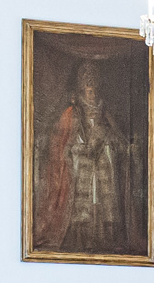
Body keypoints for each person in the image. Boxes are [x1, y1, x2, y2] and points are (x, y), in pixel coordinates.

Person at [36, 61, 141, 255]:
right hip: (82, 152)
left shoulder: (103, 108)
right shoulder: (74, 110)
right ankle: (82, 236)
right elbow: (65, 136)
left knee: (104, 185)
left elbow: (114, 131)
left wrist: (106, 140)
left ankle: (105, 236)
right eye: (87, 88)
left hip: (102, 154)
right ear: (82, 88)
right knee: (84, 187)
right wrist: (80, 146)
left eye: (93, 88)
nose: (91, 92)